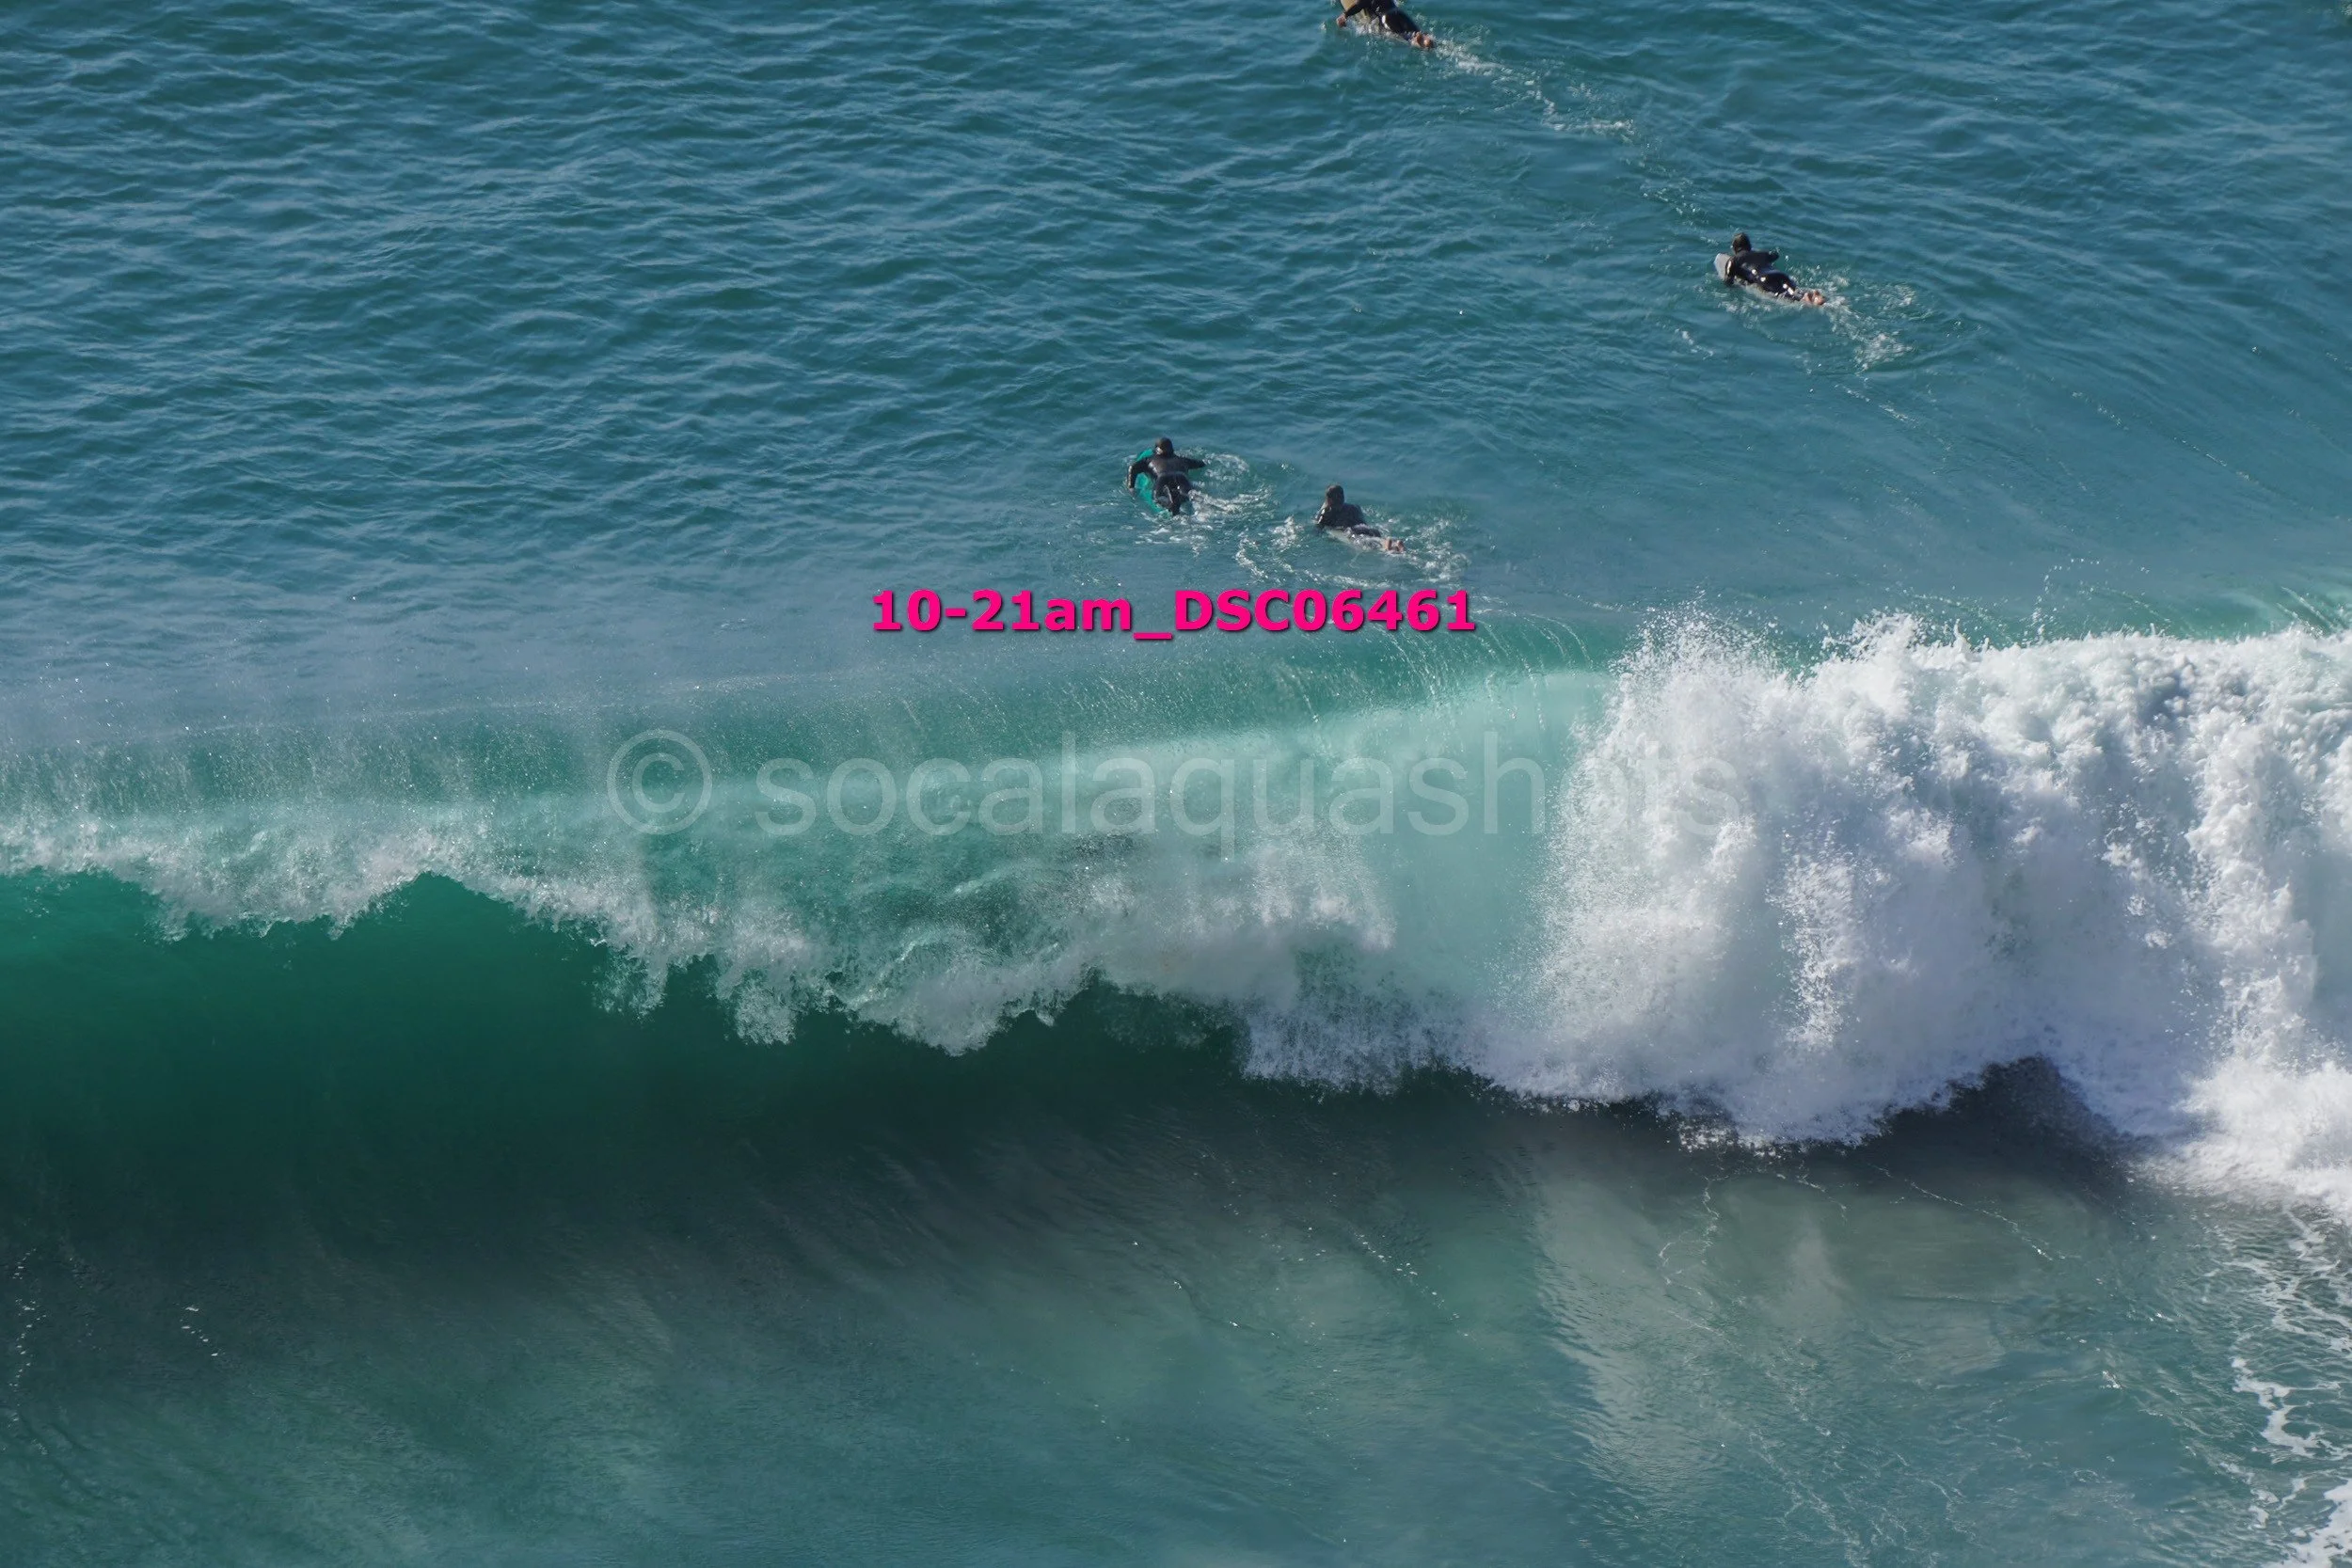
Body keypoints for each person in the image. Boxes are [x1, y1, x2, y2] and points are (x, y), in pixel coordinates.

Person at [1723, 233, 1825, 306]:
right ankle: (1813, 295)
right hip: (1780, 274)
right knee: (1795, 291)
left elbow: (1728, 280)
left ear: (1735, 248)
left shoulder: (1733, 260)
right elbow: (1775, 255)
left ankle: (1807, 299)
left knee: (1791, 298)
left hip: (1764, 279)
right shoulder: (1762, 254)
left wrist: (1739, 283)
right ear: (1749, 246)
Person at [1128, 437, 1207, 514]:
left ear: (1156, 450)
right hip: (1181, 477)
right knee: (1188, 495)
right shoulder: (1182, 460)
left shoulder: (1149, 460)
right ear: (1172, 450)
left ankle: (1171, 504)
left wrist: (1131, 487)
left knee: (1157, 499)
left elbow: (1132, 468)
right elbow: (1201, 464)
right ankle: (1179, 498)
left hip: (1162, 478)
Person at [1313, 484, 1404, 550]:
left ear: (1329, 500)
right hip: (1366, 528)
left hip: (1353, 531)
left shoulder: (1326, 513)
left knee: (1368, 544)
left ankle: (1386, 546)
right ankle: (1395, 544)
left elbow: (1319, 530)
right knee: (1377, 539)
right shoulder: (1354, 507)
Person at [1336, 0, 1436, 49]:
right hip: (1399, 13)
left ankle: (1418, 42)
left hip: (1386, 18)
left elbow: (1358, 6)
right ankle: (1426, 40)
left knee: (1406, 38)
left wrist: (1345, 14)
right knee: (1416, 32)